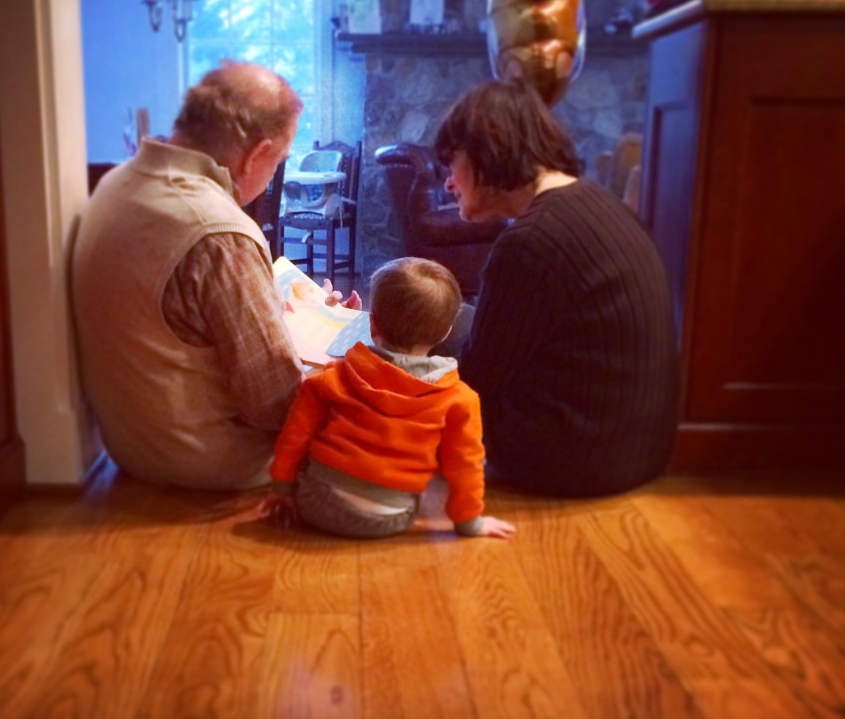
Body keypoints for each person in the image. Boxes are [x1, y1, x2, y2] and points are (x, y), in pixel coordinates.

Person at [72, 61, 318, 490]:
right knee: (374, 392)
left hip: (132, 447)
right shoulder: (221, 231)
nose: (272, 175)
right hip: (212, 462)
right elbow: (276, 404)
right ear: (257, 155)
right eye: (278, 161)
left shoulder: (115, 183)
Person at [434, 76, 678, 497]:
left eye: (452, 163)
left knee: (427, 330)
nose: (448, 183)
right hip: (640, 447)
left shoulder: (530, 242)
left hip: (573, 457)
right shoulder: (596, 201)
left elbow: (476, 381)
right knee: (456, 320)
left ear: (486, 155)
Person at [265, 257, 516, 540]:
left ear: (372, 324)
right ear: (447, 331)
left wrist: (282, 489)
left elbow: (295, 436)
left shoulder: (330, 379)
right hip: (390, 519)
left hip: (315, 504)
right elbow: (465, 463)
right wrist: (471, 524)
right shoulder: (460, 399)